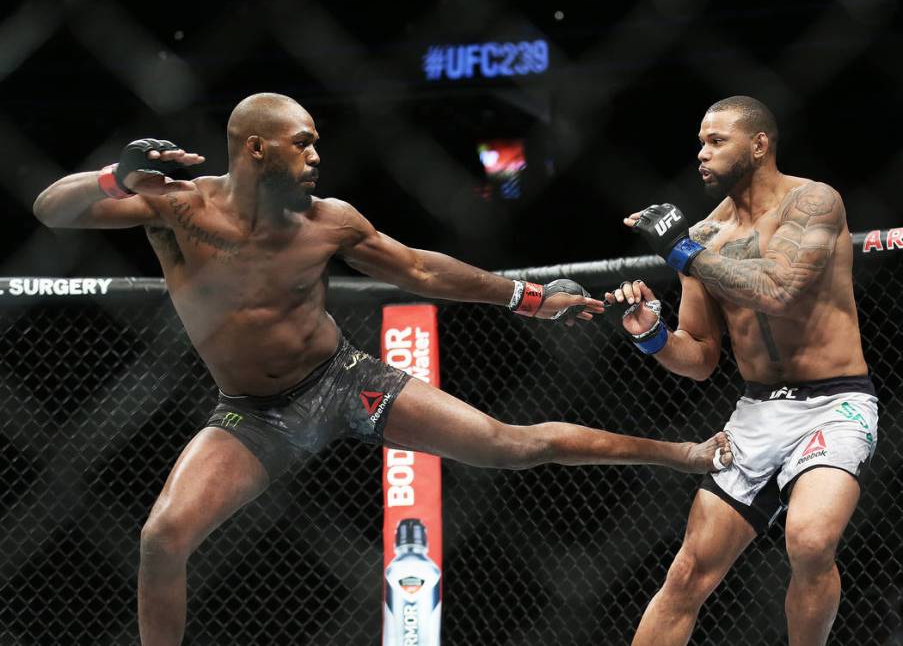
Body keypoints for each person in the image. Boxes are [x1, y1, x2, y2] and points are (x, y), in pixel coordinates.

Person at [33, 93, 732, 645]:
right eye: (301, 141)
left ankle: (685, 453)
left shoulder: (328, 220)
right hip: (251, 413)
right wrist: (112, 175)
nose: (315, 153)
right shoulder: (176, 205)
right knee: (161, 538)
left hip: (344, 380)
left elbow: (422, 267)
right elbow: (53, 210)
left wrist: (525, 298)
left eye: (315, 140)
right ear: (255, 146)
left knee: (509, 444)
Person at [607, 95, 877, 646]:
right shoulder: (705, 237)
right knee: (687, 573)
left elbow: (779, 289)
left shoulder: (814, 203)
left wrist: (679, 253)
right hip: (757, 409)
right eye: (699, 143)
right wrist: (650, 336)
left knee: (808, 540)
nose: (701, 154)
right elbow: (702, 356)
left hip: (837, 401)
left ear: (759, 145)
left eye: (715, 141)